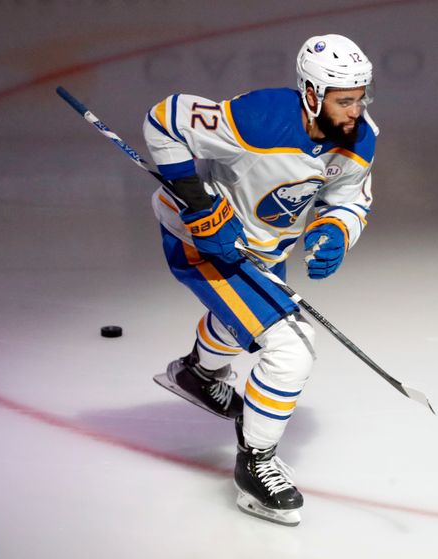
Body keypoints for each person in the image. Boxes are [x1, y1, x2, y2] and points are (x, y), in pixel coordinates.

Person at [142, 34, 377, 526]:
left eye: (360, 97)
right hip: (202, 242)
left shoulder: (361, 137)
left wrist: (336, 230)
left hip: (262, 250)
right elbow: (164, 119)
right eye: (345, 99)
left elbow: (352, 197)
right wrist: (202, 207)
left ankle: (197, 374)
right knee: (292, 347)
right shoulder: (260, 118)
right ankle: (256, 461)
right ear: (311, 93)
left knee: (240, 321)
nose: (356, 110)